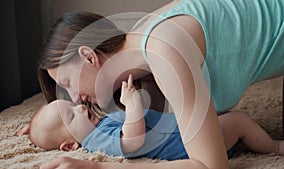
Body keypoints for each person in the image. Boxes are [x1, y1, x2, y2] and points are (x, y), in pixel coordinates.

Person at [19, 0, 284, 168]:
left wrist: (99, 167)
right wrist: (41, 128)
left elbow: (210, 165)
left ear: (89, 57)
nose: (75, 99)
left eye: (68, 83)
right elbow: (114, 124)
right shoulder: (140, 39)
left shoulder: (164, 51)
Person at [30, 75, 284, 161]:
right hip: (189, 144)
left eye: (72, 105)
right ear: (70, 146)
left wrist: (30, 127)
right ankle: (275, 146)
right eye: (71, 116)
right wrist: (131, 105)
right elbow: (132, 141)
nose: (79, 107)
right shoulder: (97, 140)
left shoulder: (100, 126)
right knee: (238, 120)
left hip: (189, 131)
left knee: (222, 114)